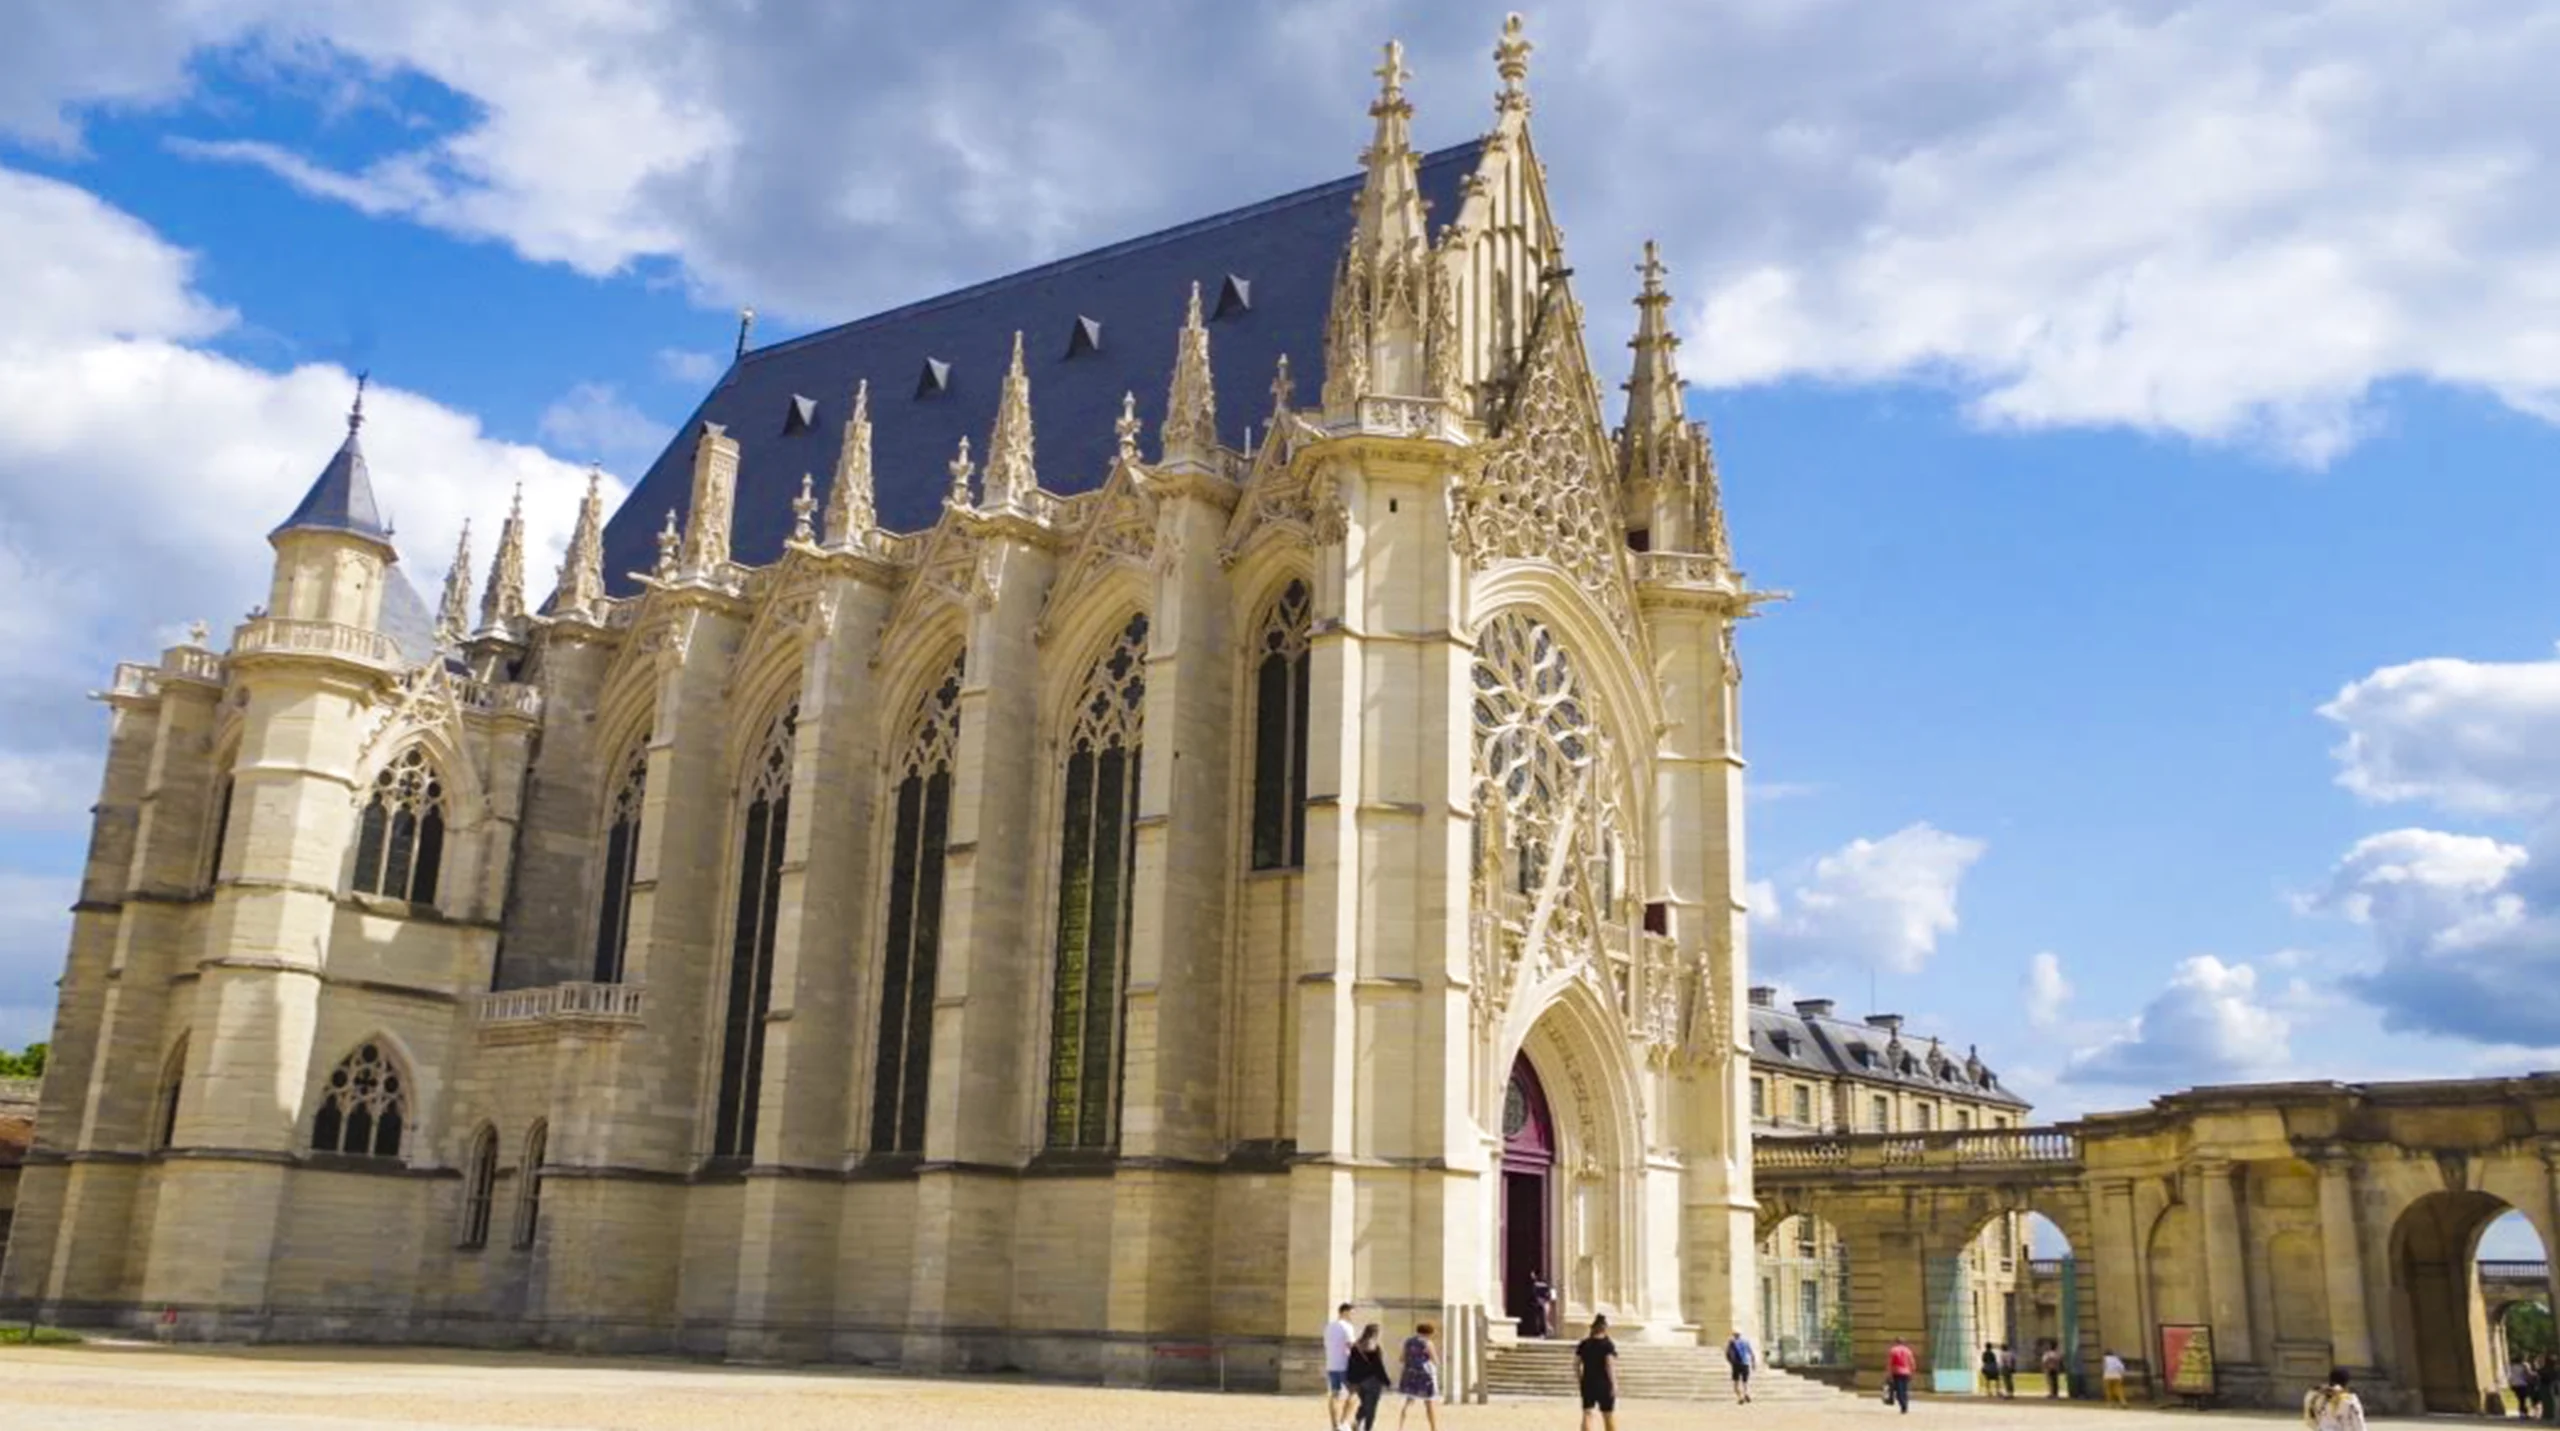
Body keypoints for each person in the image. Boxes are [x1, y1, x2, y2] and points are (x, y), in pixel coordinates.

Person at [1578, 1314, 1620, 1431]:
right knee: (1608, 1414)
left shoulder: (1585, 1344)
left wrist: (1580, 1378)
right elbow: (1609, 1364)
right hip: (1604, 1382)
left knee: (1587, 1413)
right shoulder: (1607, 1344)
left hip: (1588, 1381)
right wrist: (1614, 1383)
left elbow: (1576, 1363)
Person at [1396, 1320, 1441, 1431]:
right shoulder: (1427, 1343)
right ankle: (1434, 1428)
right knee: (1429, 1402)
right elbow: (1435, 1360)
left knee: (1409, 1401)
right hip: (1425, 1374)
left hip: (1409, 1373)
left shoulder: (1408, 1342)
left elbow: (1401, 1358)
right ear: (1429, 1333)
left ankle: (1401, 1427)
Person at [1346, 1323, 1391, 1431]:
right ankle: (1367, 1428)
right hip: (1373, 1380)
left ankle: (1357, 1421)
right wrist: (1386, 1381)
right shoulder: (1374, 1345)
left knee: (1365, 1404)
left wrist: (1351, 1380)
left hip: (1360, 1380)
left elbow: (1351, 1364)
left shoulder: (1356, 1345)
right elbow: (1378, 1366)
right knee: (1371, 1407)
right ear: (1375, 1333)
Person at [1325, 1302, 1358, 1431]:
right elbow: (1352, 1345)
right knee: (1354, 1394)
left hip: (1332, 1364)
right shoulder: (1347, 1327)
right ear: (1345, 1312)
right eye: (1352, 1313)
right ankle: (1344, 1422)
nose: (1353, 1316)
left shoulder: (1329, 1326)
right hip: (1344, 1364)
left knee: (1335, 1394)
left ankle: (1335, 1425)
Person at [2302, 1366, 2366, 1431]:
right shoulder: (2350, 1400)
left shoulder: (2315, 1397)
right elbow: (2359, 1424)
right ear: (2346, 1382)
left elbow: (2309, 1420)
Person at [1885, 1337, 1916, 1414]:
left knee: (1899, 1390)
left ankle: (1903, 1405)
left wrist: (1888, 1373)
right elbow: (1912, 1362)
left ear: (1896, 1342)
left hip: (1897, 1372)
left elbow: (1890, 1362)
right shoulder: (1908, 1351)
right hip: (1906, 1372)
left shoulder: (1893, 1350)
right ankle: (1905, 1405)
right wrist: (1912, 1372)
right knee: (1904, 1390)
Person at [1724, 1327, 1754, 1404]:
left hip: (1736, 1364)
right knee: (1745, 1382)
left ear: (1734, 1334)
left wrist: (1730, 1362)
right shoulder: (1745, 1342)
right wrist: (1753, 1363)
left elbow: (1727, 1353)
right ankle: (1746, 1393)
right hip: (1745, 1363)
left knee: (1736, 1383)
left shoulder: (1732, 1342)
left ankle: (1740, 1397)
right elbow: (1751, 1353)